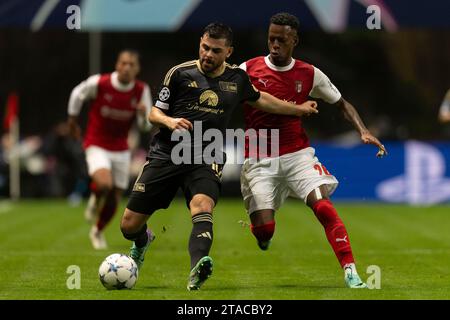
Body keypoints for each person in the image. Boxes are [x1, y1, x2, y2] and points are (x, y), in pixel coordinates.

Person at [119, 22, 319, 291]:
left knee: (202, 206)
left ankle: (197, 269)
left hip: (206, 154)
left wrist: (296, 109)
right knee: (129, 225)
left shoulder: (236, 79)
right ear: (200, 44)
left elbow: (261, 99)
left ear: (228, 52)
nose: (208, 54)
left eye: (215, 50)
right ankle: (142, 242)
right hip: (168, 154)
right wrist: (169, 121)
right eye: (204, 47)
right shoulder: (179, 74)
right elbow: (153, 113)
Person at [239, 12, 387, 289]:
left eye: (281, 40)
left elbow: (342, 103)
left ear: (294, 40)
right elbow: (227, 98)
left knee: (324, 207)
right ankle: (262, 234)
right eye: (271, 38)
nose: (274, 45)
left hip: (298, 155)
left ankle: (351, 270)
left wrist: (363, 130)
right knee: (265, 229)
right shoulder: (247, 69)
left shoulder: (309, 74)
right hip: (260, 157)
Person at [67, 49, 152, 250]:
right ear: (117, 65)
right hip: (96, 143)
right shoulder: (100, 83)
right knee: (105, 183)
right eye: (124, 63)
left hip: (121, 148)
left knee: (115, 196)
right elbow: (77, 94)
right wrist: (72, 120)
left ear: (137, 69)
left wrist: (142, 115)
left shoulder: (141, 90)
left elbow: (145, 126)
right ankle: (95, 198)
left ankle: (97, 231)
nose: (127, 68)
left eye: (132, 64)